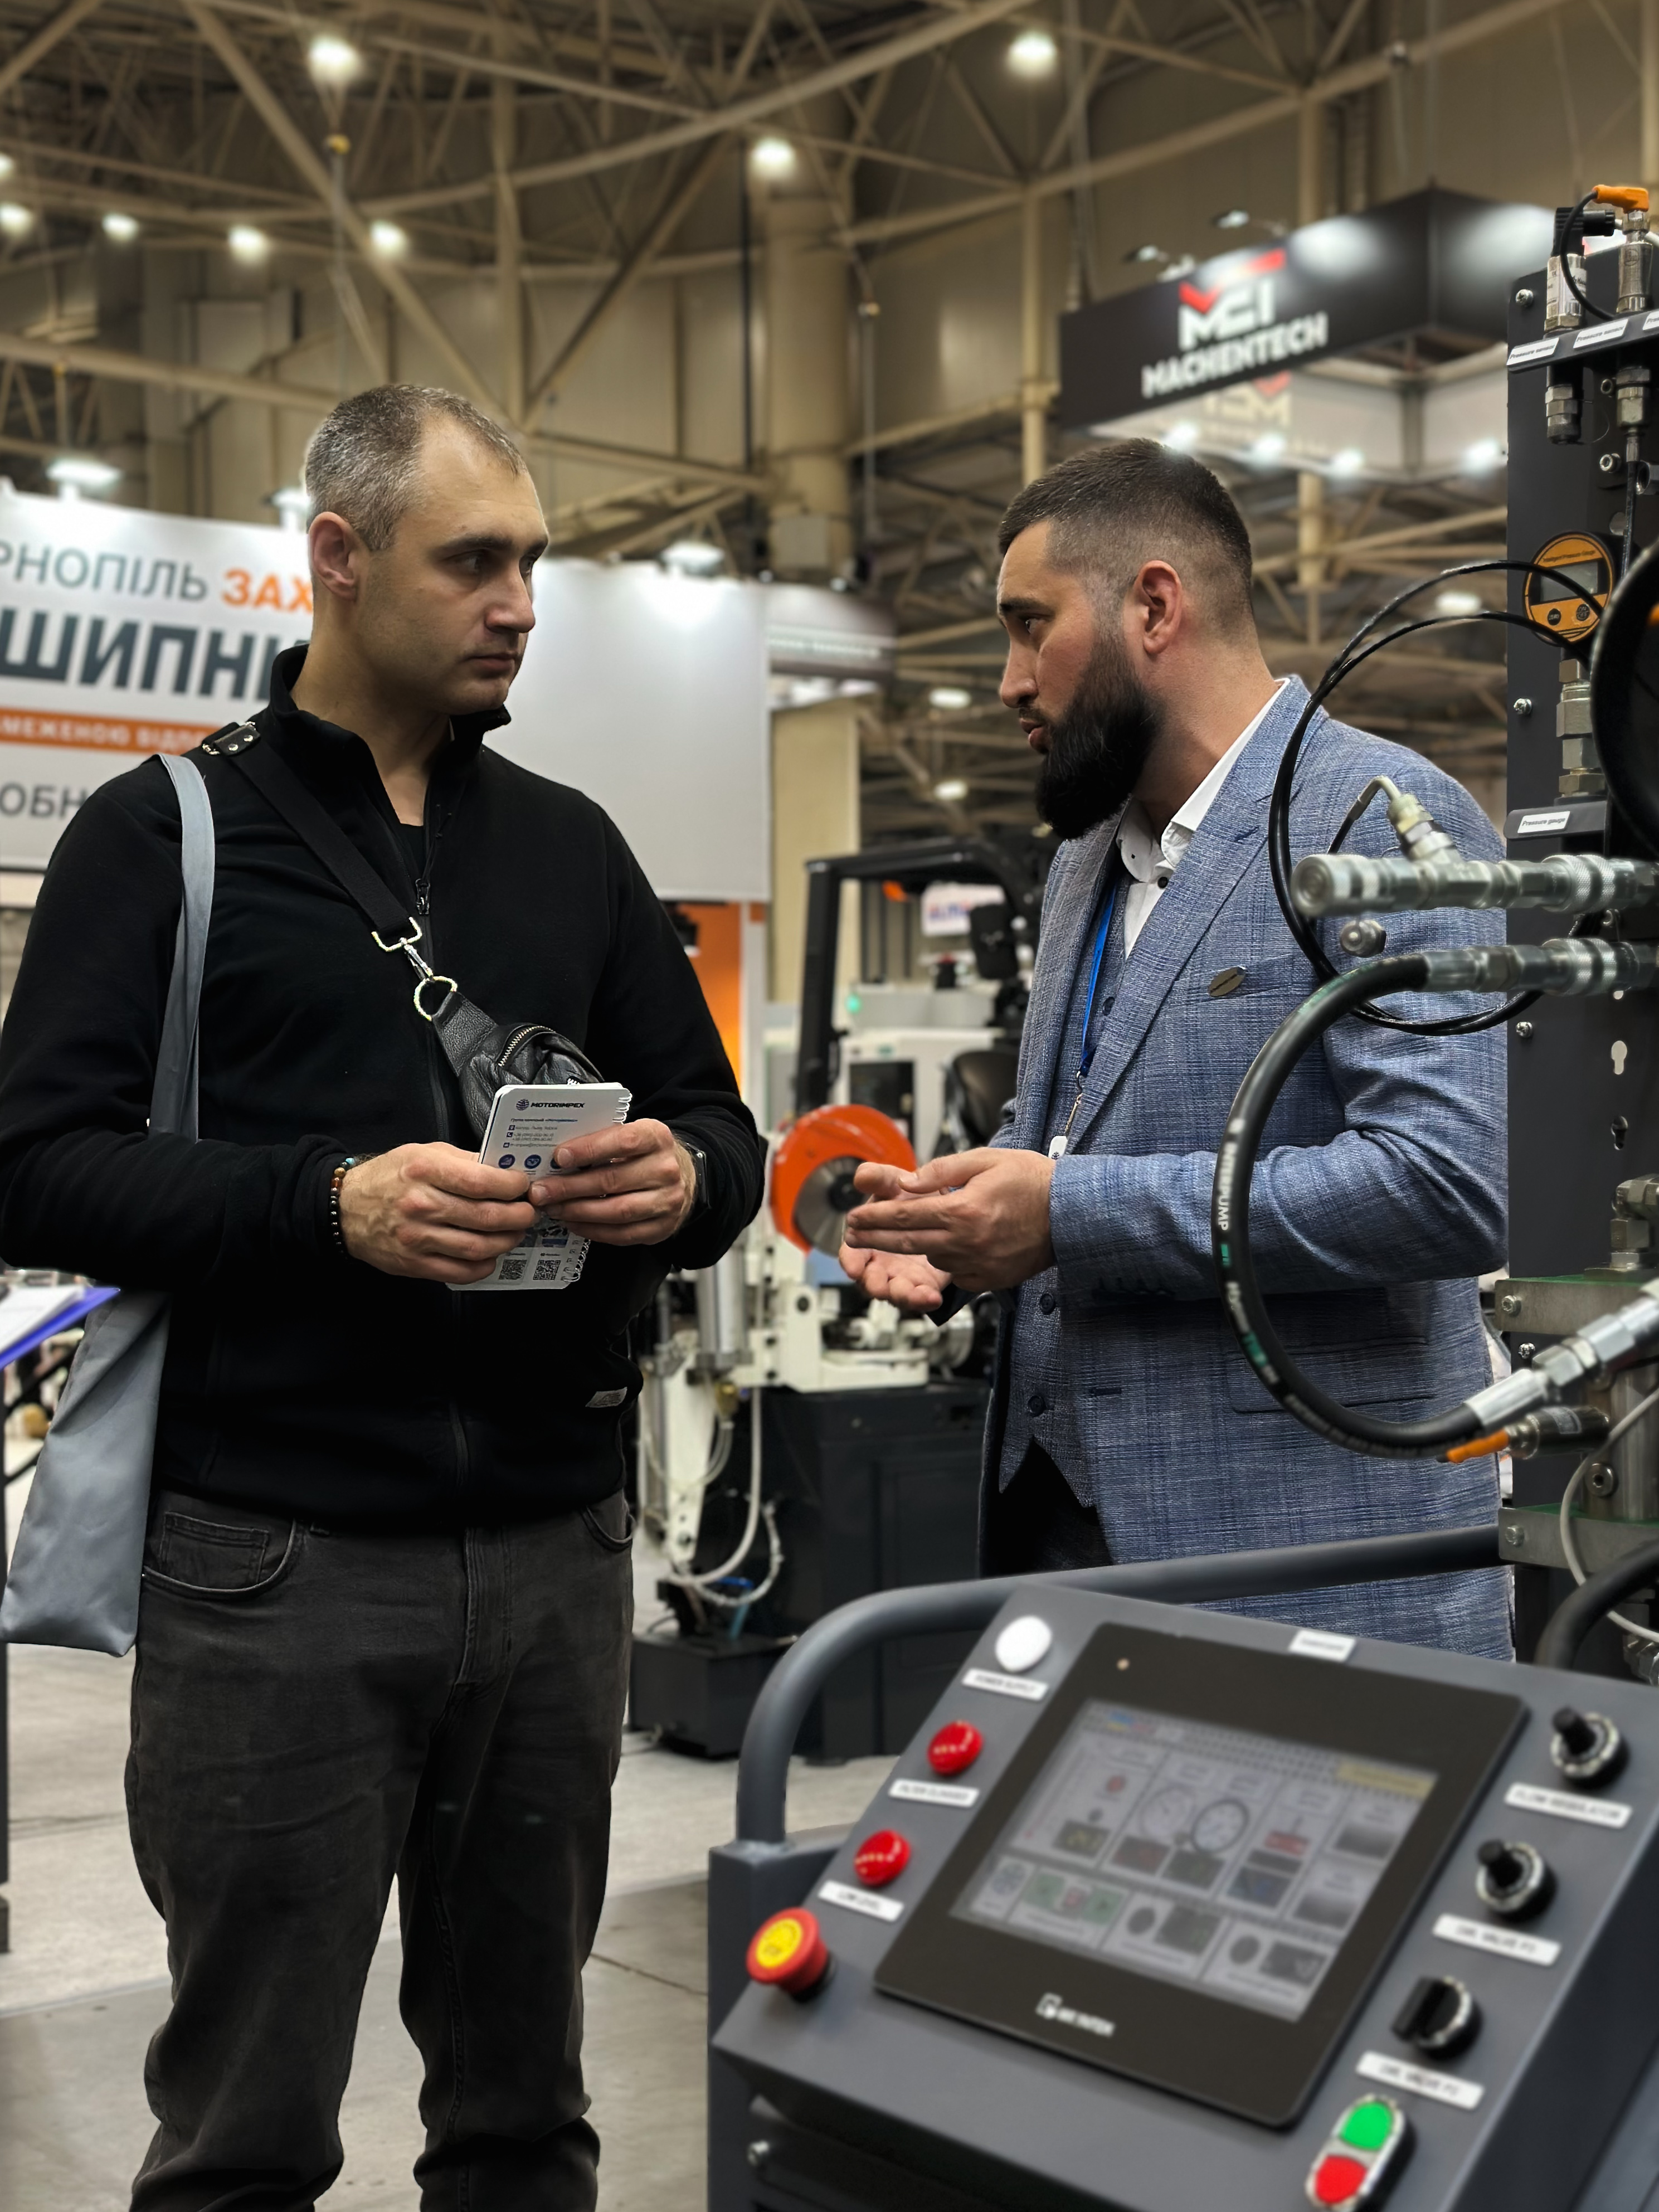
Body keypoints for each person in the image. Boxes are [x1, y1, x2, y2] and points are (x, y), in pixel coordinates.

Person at [0, 383, 765, 2210]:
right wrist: (323, 1204)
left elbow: (719, 1129)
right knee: (246, 2134)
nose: (518, 605)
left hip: (555, 1557)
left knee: (524, 2119)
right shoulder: (165, 837)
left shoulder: (570, 848)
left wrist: (682, 1183)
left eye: (533, 564)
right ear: (336, 559)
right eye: (472, 561)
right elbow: (33, 1163)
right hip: (275, 1567)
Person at [841, 438, 1508, 1657]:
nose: (1007, 682)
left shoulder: (1380, 821)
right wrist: (953, 1226)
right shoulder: (1083, 861)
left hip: (1301, 1564)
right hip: (1058, 1538)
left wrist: (1066, 1216)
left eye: (1029, 626)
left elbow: (1444, 1185)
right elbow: (1067, 1132)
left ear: (1153, 606)